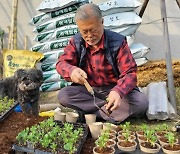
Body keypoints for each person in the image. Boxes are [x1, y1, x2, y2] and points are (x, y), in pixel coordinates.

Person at [56, 3, 149, 123]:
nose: (89, 36)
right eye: (85, 32)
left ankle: (90, 113)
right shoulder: (76, 42)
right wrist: (71, 70)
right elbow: (61, 63)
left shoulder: (118, 42)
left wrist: (118, 91)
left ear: (102, 22)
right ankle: (108, 113)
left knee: (141, 102)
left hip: (114, 89)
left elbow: (130, 73)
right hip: (89, 91)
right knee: (64, 95)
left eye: (93, 30)